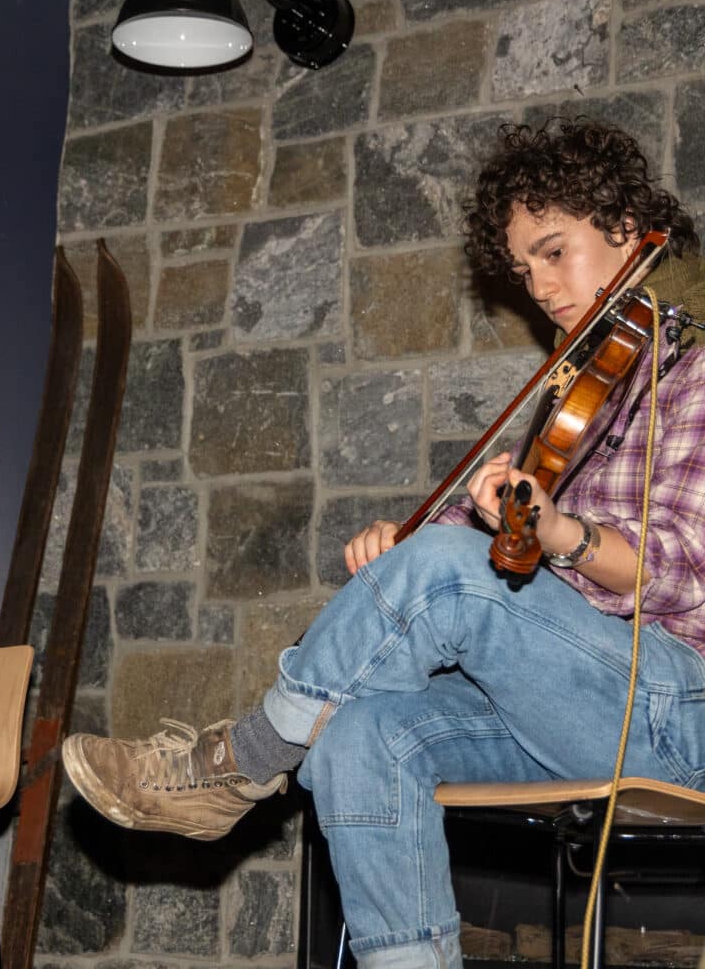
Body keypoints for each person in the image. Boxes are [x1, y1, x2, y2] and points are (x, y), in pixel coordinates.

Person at [61, 120, 705, 969]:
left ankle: (248, 757)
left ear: (628, 228)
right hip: (563, 700)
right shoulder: (584, 390)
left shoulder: (695, 374)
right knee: (359, 732)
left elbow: (682, 569)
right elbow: (480, 551)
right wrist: (405, 546)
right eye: (523, 270)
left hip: (670, 712)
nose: (541, 288)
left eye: (556, 253)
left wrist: (554, 534)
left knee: (441, 576)